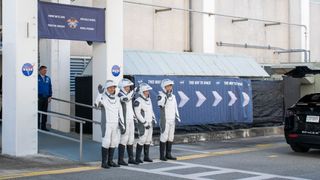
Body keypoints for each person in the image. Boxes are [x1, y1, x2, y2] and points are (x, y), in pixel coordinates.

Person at [94, 80, 125, 169]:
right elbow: (96, 105)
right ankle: (104, 163)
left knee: (114, 142)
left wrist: (122, 124)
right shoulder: (103, 97)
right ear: (106, 89)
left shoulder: (117, 99)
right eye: (110, 88)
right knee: (106, 142)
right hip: (106, 124)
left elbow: (121, 112)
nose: (112, 89)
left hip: (115, 124)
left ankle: (110, 161)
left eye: (113, 87)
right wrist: (99, 94)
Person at [157, 79, 181, 161]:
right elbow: (161, 104)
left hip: (172, 119)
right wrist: (166, 96)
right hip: (165, 120)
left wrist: (177, 116)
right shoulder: (161, 95)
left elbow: (175, 107)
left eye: (171, 86)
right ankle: (162, 155)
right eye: (168, 86)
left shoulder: (173, 96)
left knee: (171, 137)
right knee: (164, 136)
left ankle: (168, 154)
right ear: (164, 87)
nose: (170, 87)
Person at [118, 78, 139, 165]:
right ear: (122, 87)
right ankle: (120, 160)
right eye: (126, 87)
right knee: (124, 139)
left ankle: (131, 158)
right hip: (124, 120)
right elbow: (126, 99)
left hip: (131, 119)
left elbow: (130, 107)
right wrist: (134, 91)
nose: (128, 88)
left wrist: (134, 117)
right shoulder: (119, 94)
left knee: (131, 139)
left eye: (129, 87)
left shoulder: (129, 94)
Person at [134, 83, 156, 163]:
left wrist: (154, 119)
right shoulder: (138, 101)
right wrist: (144, 122)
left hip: (150, 123)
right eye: (145, 91)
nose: (147, 92)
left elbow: (151, 110)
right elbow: (137, 114)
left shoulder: (149, 99)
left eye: (148, 91)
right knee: (142, 140)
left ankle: (146, 157)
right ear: (141, 92)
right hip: (143, 124)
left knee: (148, 140)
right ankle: (137, 158)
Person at [38, 66, 52, 131]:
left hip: (46, 97)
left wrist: (50, 96)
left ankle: (43, 127)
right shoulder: (36, 78)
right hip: (39, 97)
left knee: (44, 113)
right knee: (38, 112)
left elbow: (50, 87)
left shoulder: (48, 78)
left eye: (46, 70)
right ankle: (37, 127)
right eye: (44, 70)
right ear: (40, 71)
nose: (45, 71)